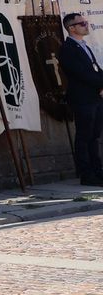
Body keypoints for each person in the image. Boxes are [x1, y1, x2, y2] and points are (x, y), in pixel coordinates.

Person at [56, 13, 103, 186]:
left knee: (94, 136)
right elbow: (81, 73)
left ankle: (97, 171)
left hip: (95, 97)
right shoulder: (68, 48)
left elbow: (95, 69)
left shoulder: (84, 46)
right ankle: (86, 174)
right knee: (84, 136)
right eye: (82, 23)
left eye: (86, 22)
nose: (86, 25)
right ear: (71, 28)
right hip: (83, 98)